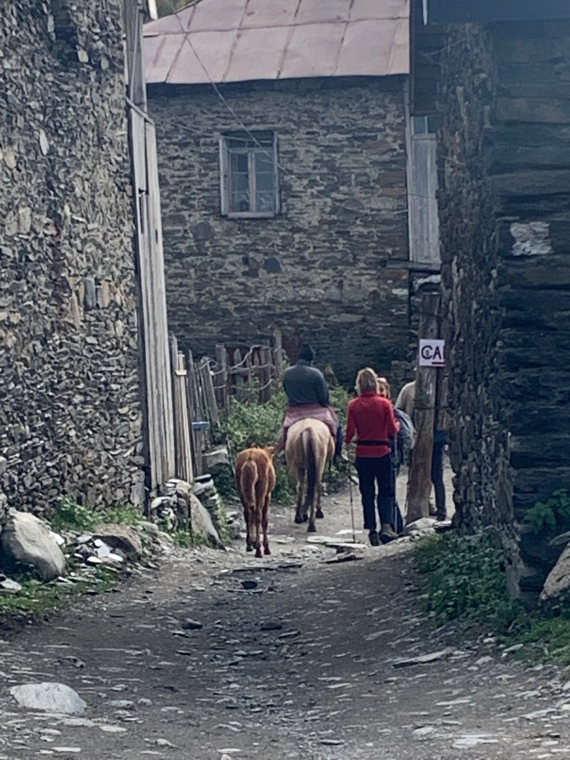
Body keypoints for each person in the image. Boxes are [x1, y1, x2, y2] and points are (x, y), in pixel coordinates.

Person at [346, 368, 400, 546]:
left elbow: (349, 434)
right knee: (386, 491)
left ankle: (372, 530)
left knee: (367, 493)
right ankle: (386, 525)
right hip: (382, 452)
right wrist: (398, 426)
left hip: (363, 454)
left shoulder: (353, 405)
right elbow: (392, 430)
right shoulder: (385, 404)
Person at [395, 379, 448, 521]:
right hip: (433, 435)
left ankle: (428, 507)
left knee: (418, 472)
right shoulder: (440, 387)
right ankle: (437, 508)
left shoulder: (408, 389)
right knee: (436, 475)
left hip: (417, 435)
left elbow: (399, 411)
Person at [280, 344, 342, 458]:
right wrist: (327, 404)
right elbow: (324, 397)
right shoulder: (316, 373)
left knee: (284, 428)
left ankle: (283, 450)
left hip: (294, 411)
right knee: (337, 424)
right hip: (316, 410)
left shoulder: (287, 373)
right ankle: (338, 453)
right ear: (311, 359)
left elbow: (286, 391)